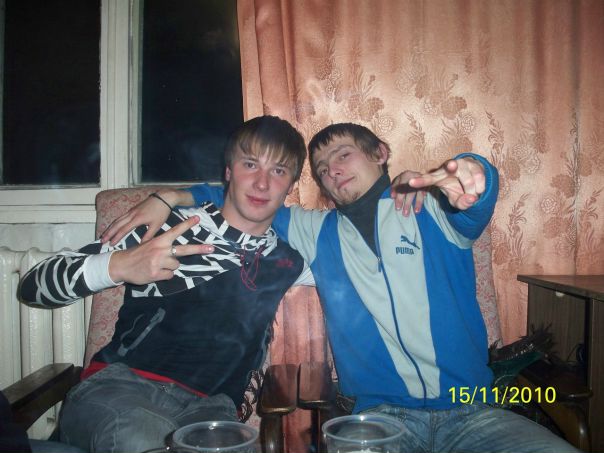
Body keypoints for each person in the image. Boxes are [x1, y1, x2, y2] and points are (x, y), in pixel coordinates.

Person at [102, 123, 579, 452]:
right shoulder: (314, 231)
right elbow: (246, 197)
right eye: (322, 168)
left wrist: (473, 171)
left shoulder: (436, 211)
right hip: (379, 420)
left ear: (380, 153)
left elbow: (475, 189)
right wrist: (169, 196)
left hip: (473, 411)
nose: (331, 170)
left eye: (342, 155)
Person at [17, 115, 316, 453]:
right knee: (143, 439)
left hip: (211, 411)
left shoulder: (287, 260)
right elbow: (33, 287)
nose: (262, 183)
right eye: (250, 164)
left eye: (278, 170)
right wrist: (120, 265)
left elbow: (357, 265)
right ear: (228, 171)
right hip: (123, 388)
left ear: (291, 185)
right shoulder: (165, 228)